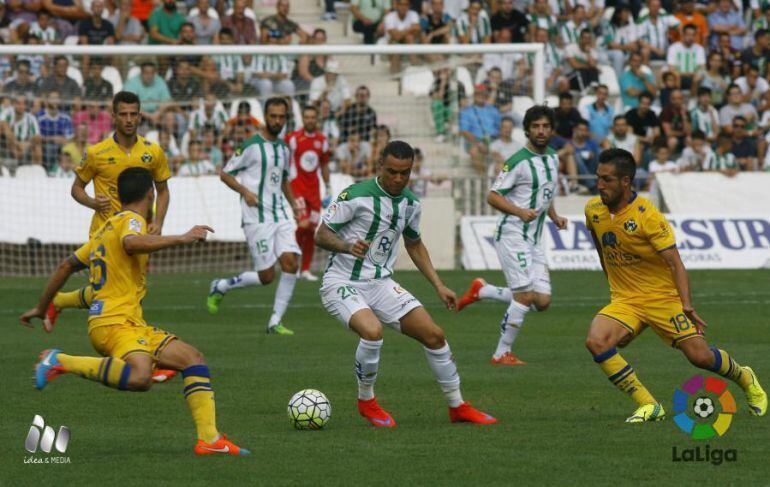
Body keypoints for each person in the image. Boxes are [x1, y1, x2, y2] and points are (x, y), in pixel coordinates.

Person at [22, 167, 250, 456]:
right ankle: (60, 361)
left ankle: (209, 439)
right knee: (140, 377)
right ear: (151, 195)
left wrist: (46, 306)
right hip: (115, 325)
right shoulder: (131, 221)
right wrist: (181, 238)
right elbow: (132, 242)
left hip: (127, 323)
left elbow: (66, 267)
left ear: (118, 195)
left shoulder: (104, 231)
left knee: (192, 359)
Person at [314, 140, 497, 427]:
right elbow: (321, 235)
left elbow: (414, 244)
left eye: (405, 173)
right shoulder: (355, 195)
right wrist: (347, 245)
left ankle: (458, 406)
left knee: (435, 335)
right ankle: (367, 401)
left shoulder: (410, 203)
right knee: (372, 331)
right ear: (379, 167)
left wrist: (439, 284)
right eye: (392, 172)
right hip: (341, 282)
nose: (398, 179)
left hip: (381, 283)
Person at [584, 148, 766, 422]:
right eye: (598, 178)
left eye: (607, 180)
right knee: (596, 341)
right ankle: (649, 405)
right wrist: (614, 284)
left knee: (700, 357)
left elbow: (675, 264)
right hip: (626, 300)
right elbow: (601, 248)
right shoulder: (593, 211)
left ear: (625, 181)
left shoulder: (648, 216)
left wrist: (686, 304)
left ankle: (745, 376)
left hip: (662, 298)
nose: (599, 185)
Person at [46, 91, 175, 383]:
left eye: (134, 114)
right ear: (114, 116)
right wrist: (93, 202)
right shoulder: (97, 152)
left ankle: (60, 302)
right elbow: (76, 188)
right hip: (106, 233)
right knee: (113, 294)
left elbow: (163, 190)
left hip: (137, 234)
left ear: (140, 116)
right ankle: (139, 358)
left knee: (131, 290)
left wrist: (158, 223)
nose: (129, 120)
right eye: (124, 114)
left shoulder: (152, 152)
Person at [457, 106, 568, 365]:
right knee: (524, 296)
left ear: (551, 130)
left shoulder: (553, 157)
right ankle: (500, 354)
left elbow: (546, 193)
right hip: (512, 233)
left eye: (545, 126)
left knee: (542, 301)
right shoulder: (517, 162)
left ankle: (482, 291)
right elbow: (492, 196)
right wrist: (519, 211)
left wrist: (554, 216)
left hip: (534, 237)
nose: (541, 131)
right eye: (536, 126)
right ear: (527, 130)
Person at [207, 98, 302, 336]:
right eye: (273, 116)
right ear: (265, 117)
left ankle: (275, 321)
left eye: (282, 117)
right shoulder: (251, 146)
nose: (278, 121)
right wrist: (245, 192)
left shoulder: (284, 149)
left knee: (291, 264)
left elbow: (283, 180)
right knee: (267, 276)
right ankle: (222, 285)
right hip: (256, 217)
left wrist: (294, 206)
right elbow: (225, 174)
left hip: (280, 214)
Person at [286, 105, 331, 282]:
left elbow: (325, 164)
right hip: (297, 189)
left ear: (317, 119)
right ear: (303, 119)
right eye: (307, 117)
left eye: (313, 117)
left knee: (312, 231)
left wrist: (328, 187)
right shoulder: (293, 138)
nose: (310, 120)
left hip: (314, 192)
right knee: (302, 225)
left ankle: (304, 269)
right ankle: (292, 264)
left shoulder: (322, 140)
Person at [667, 23, 706, 90]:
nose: (691, 37)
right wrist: (688, 74)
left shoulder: (700, 49)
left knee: (700, 77)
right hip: (678, 77)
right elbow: (671, 68)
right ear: (683, 35)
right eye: (688, 35)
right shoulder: (673, 48)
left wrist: (693, 75)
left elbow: (702, 68)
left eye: (693, 35)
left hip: (694, 78)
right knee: (674, 76)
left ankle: (693, 99)